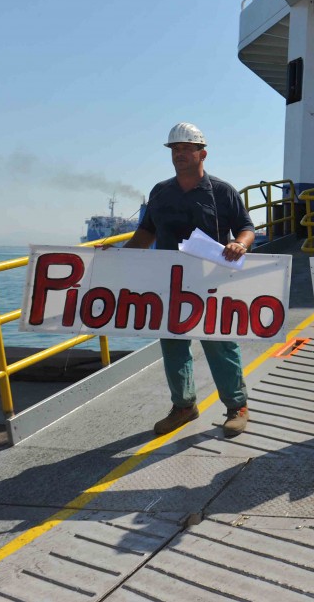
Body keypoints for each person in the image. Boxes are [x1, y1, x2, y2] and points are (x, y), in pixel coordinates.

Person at [124, 122, 256, 438]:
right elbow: (146, 232)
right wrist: (117, 256)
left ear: (202, 154)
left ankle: (237, 407)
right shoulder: (160, 192)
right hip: (169, 284)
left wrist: (240, 244)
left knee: (220, 344)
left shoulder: (222, 192)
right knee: (173, 345)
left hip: (211, 283)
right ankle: (184, 406)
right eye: (175, 149)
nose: (179, 154)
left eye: (186, 149)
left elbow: (247, 227)